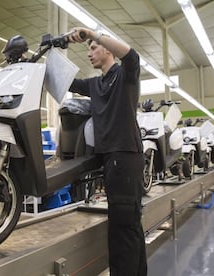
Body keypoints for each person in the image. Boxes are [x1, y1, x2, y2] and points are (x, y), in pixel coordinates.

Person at [68, 28, 147, 275]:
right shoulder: (95, 84)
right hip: (111, 158)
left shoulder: (125, 76)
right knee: (127, 224)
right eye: (89, 48)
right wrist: (60, 45)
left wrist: (94, 33)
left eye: (93, 48)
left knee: (123, 226)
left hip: (124, 155)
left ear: (107, 50)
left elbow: (132, 56)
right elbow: (65, 81)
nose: (90, 53)